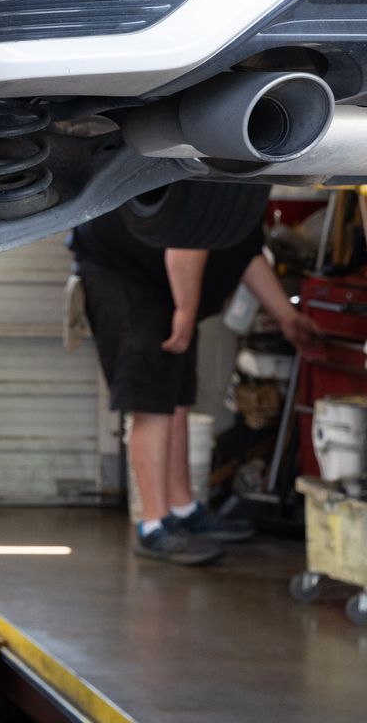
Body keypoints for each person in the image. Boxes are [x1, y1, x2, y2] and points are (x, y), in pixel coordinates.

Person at [72, 202, 318, 565]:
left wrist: (287, 318)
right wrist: (186, 313)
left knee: (177, 397)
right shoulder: (216, 177)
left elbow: (246, 251)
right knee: (151, 399)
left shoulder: (247, 184)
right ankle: (154, 525)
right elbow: (184, 246)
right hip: (123, 271)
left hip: (166, 273)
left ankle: (184, 509)